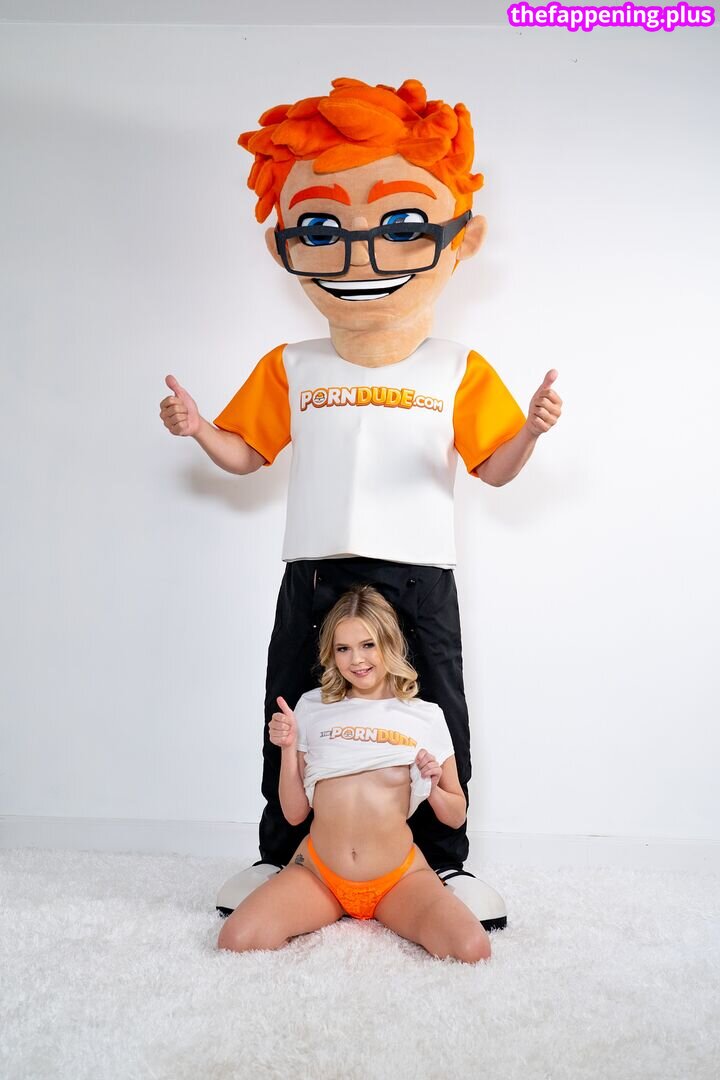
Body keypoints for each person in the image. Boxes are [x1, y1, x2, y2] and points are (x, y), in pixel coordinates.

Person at [159, 77, 562, 923]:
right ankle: (281, 854)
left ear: (458, 238)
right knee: (289, 709)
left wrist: (529, 430)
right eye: (322, 233)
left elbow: (492, 469)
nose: (361, 257)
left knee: (438, 708)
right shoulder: (294, 363)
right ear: (287, 246)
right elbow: (245, 453)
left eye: (401, 227)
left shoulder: (456, 366)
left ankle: (444, 864)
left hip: (420, 571)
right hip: (315, 569)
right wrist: (199, 429)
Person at [217, 586, 491, 963]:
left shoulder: (425, 716)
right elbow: (295, 814)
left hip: (398, 880)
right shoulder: (312, 707)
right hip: (319, 876)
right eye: (343, 648)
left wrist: (432, 789)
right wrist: (288, 748)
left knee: (472, 949)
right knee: (236, 939)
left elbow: (456, 815)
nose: (356, 660)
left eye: (367, 645)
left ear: (389, 643)